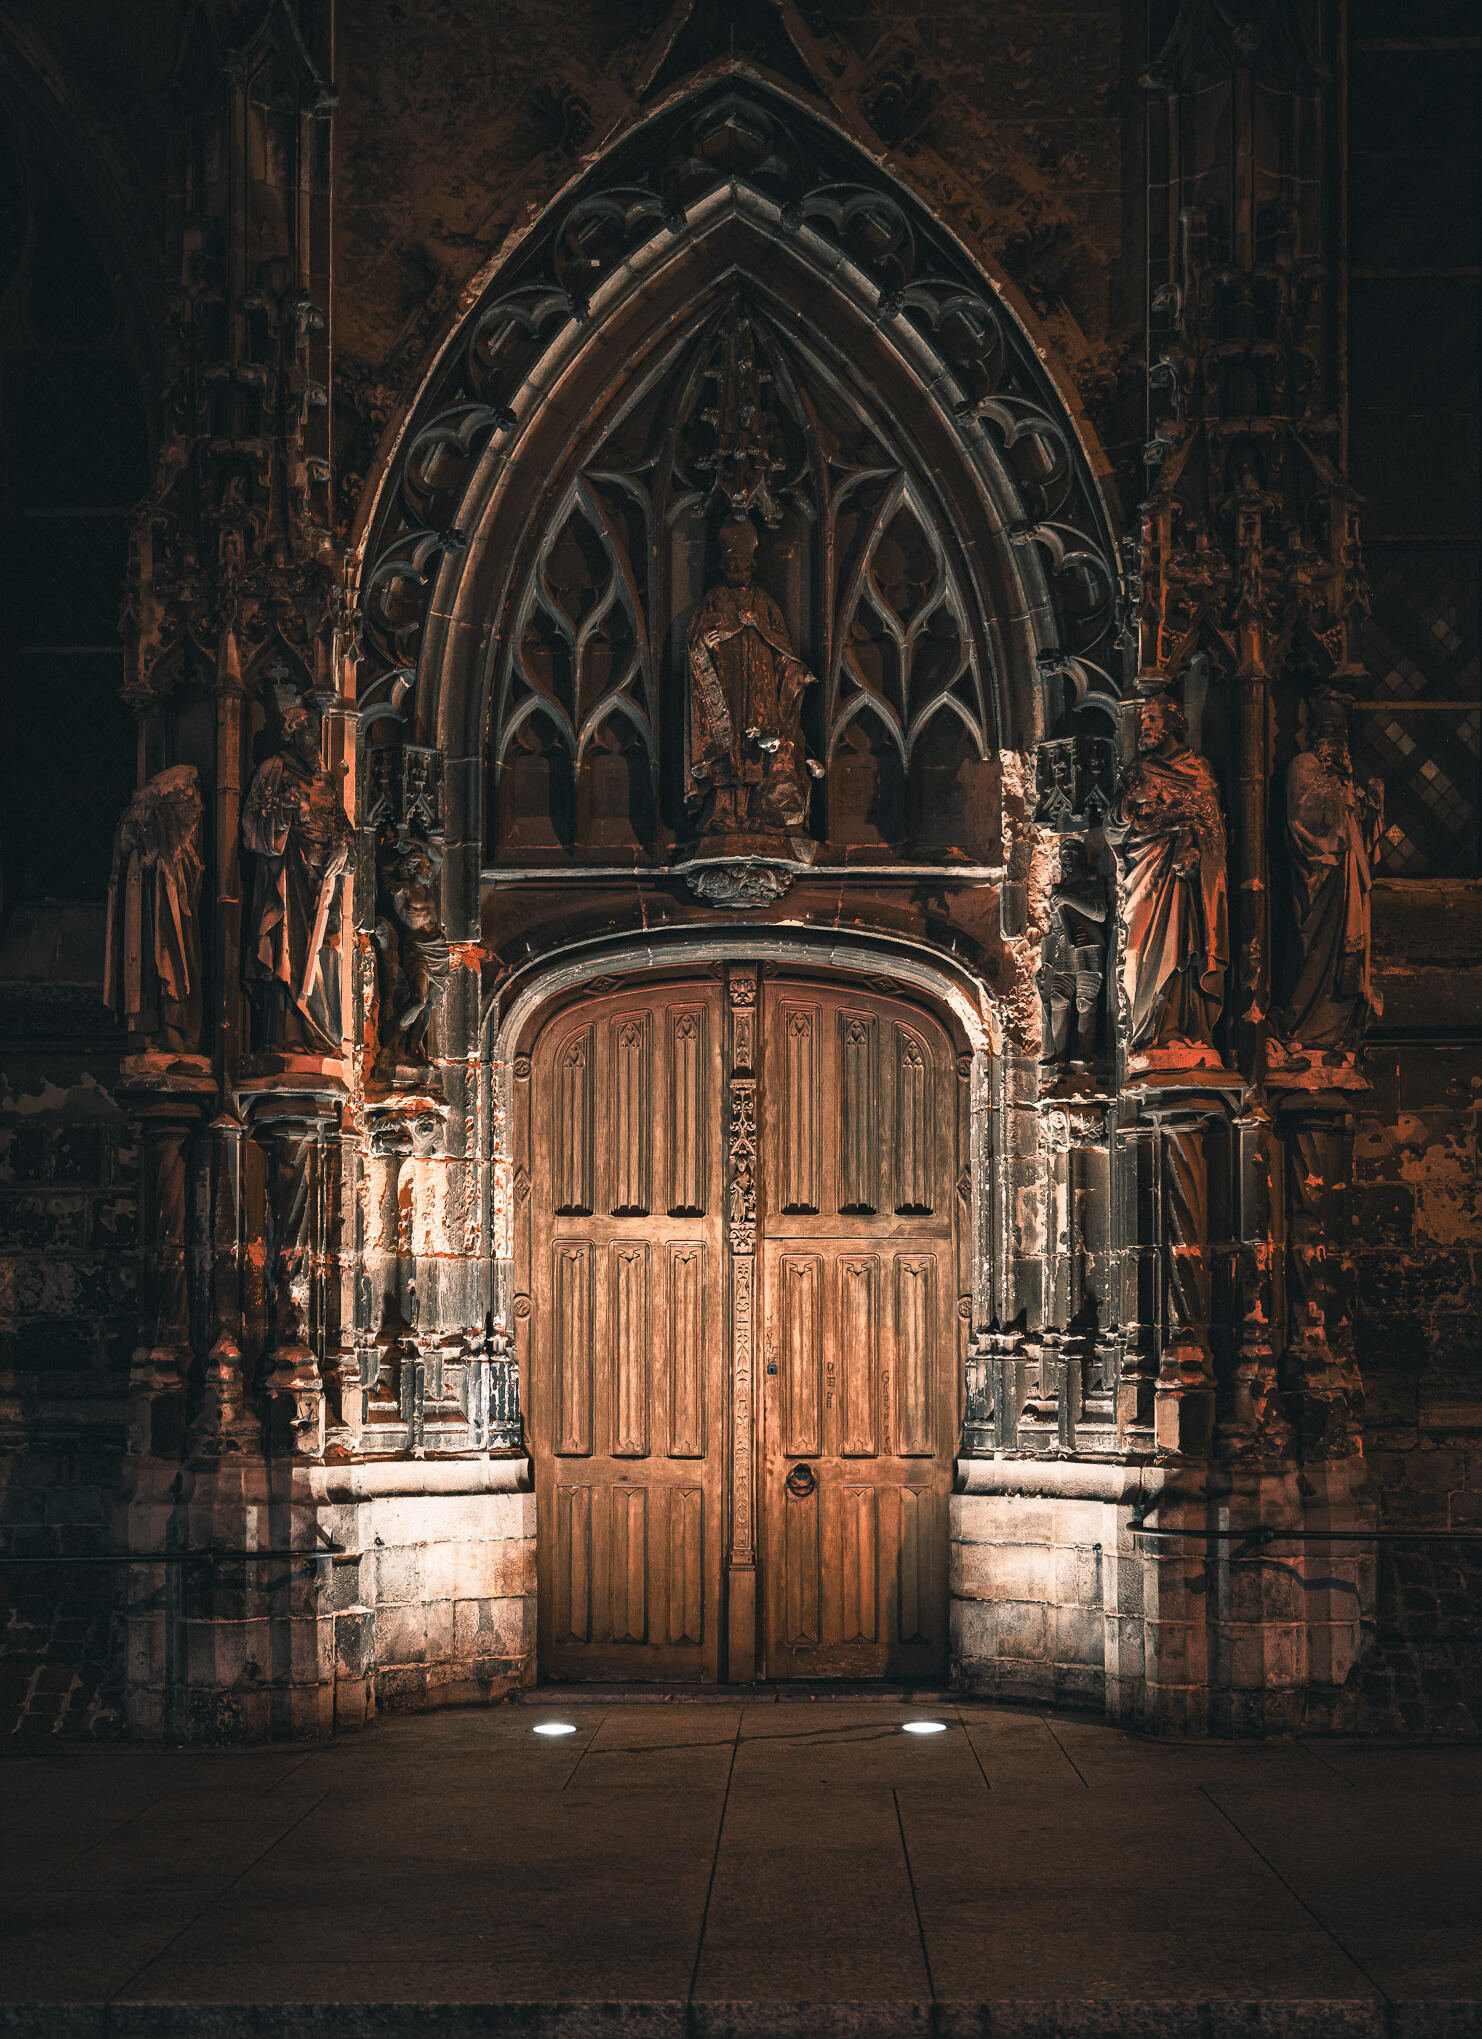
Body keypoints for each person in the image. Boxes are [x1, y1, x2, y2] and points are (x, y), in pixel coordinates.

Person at [1105, 693, 1228, 1057]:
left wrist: (1195, 847)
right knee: (1138, 950)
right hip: (1144, 872)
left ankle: (1182, 1028)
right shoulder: (1135, 773)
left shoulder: (1197, 770)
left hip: (1183, 879)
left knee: (1184, 948)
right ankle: (1147, 1033)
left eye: (1154, 719)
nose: (1146, 726)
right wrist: (1129, 807)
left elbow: (1212, 824)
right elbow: (1112, 829)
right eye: (1143, 720)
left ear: (1175, 722)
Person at [686, 515, 818, 834]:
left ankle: (757, 812)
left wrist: (794, 671)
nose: (736, 568)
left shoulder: (765, 602)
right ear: (722, 565)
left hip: (760, 685)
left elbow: (780, 644)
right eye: (731, 563)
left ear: (752, 566)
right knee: (727, 745)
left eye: (742, 563)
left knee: (758, 748)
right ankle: (725, 811)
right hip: (726, 682)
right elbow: (695, 638)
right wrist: (704, 641)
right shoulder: (715, 598)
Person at [241, 703, 353, 1052]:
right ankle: (287, 1035)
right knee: (286, 951)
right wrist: (287, 814)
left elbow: (346, 830)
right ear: (292, 734)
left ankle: (318, 1032)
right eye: (308, 733)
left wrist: (343, 848)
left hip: (323, 883)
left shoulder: (326, 781)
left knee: (325, 952)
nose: (315, 742)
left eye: (317, 735)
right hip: (288, 877)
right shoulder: (274, 770)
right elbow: (252, 829)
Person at [1280, 698, 1383, 1053]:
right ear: (1313, 737)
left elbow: (1359, 835)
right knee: (1315, 946)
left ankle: (1332, 1031)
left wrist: (1369, 808)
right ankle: (1304, 1028)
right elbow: (1304, 817)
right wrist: (1339, 792)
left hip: (1347, 876)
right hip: (1319, 875)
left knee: (1346, 949)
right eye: (1327, 734)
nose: (1335, 743)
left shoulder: (1343, 774)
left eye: (1341, 736)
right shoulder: (1304, 765)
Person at [104, 765, 204, 1055]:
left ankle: (172, 1029)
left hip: (170, 906)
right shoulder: (147, 827)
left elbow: (186, 867)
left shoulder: (179, 836)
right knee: (151, 959)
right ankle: (151, 1030)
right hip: (147, 903)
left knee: (173, 962)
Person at [1040, 836, 1107, 1068]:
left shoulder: (1090, 881)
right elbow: (1056, 927)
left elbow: (1100, 914)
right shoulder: (1060, 887)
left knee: (1085, 1003)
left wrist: (1069, 899)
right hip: (1064, 949)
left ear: (1081, 856)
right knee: (1058, 998)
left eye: (1071, 852)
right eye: (1063, 853)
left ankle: (1084, 1054)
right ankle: (1060, 1054)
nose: (1066, 857)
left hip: (1088, 946)